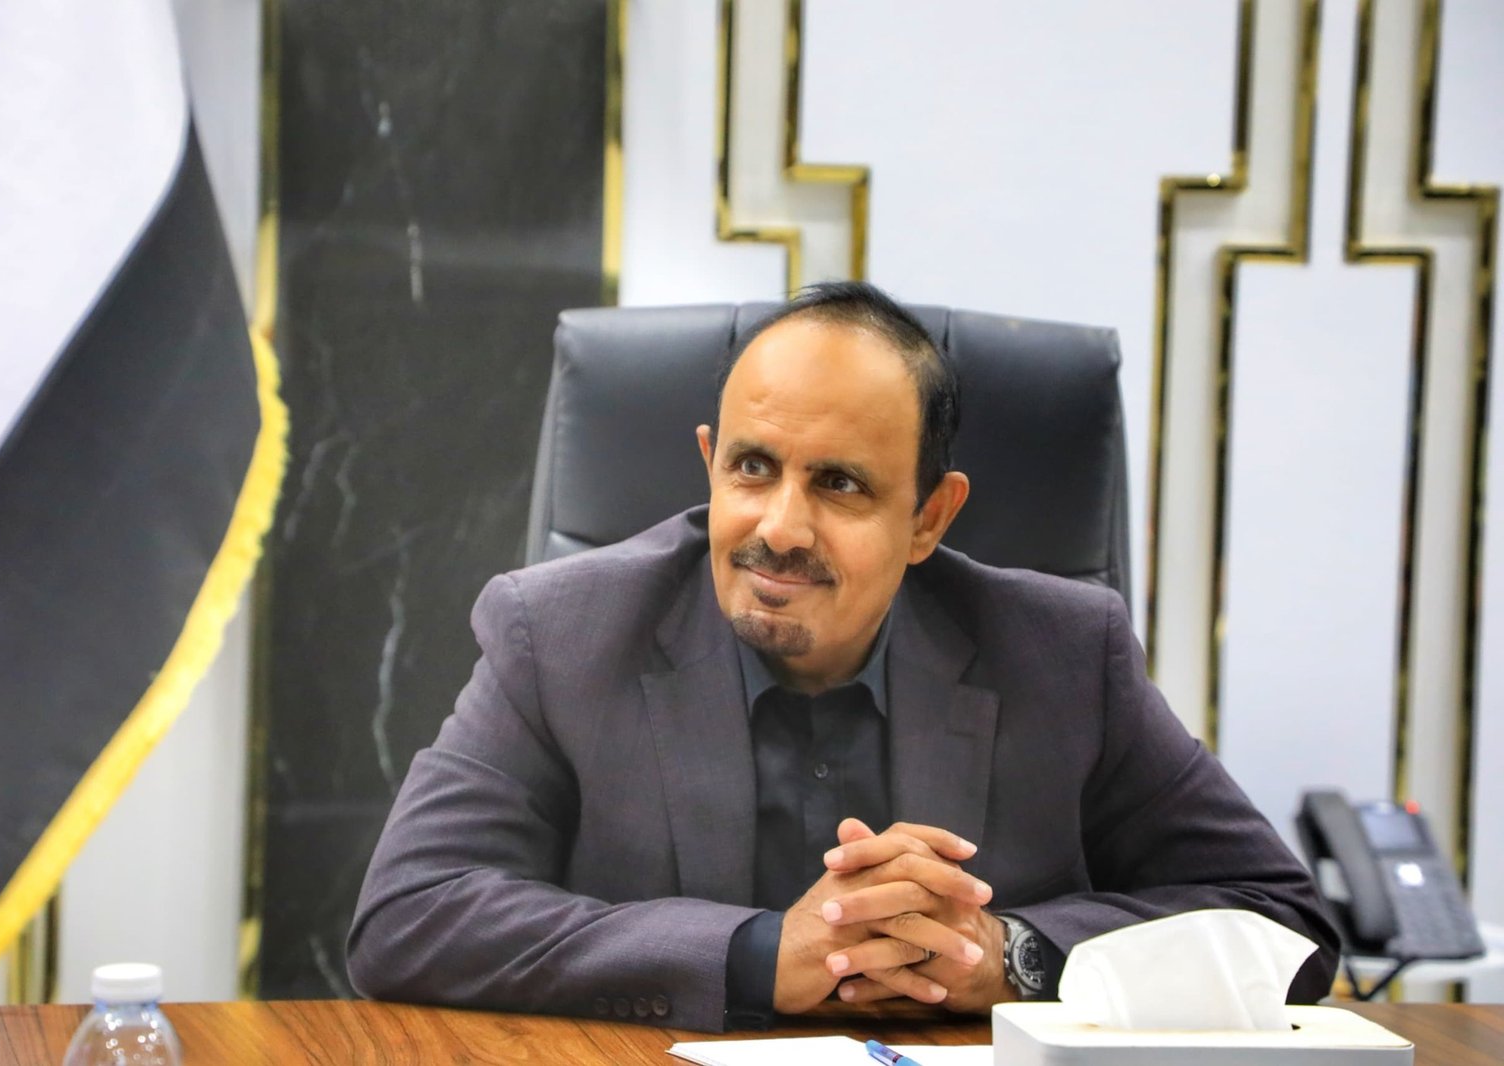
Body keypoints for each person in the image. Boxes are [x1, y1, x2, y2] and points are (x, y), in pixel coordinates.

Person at [346, 281, 1339, 1032]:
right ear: (709, 463)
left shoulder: (1066, 654)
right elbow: (408, 914)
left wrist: (1010, 955)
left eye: (841, 485)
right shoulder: (557, 632)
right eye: (752, 467)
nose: (780, 527)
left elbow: (1284, 922)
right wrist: (754, 954)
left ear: (929, 518)